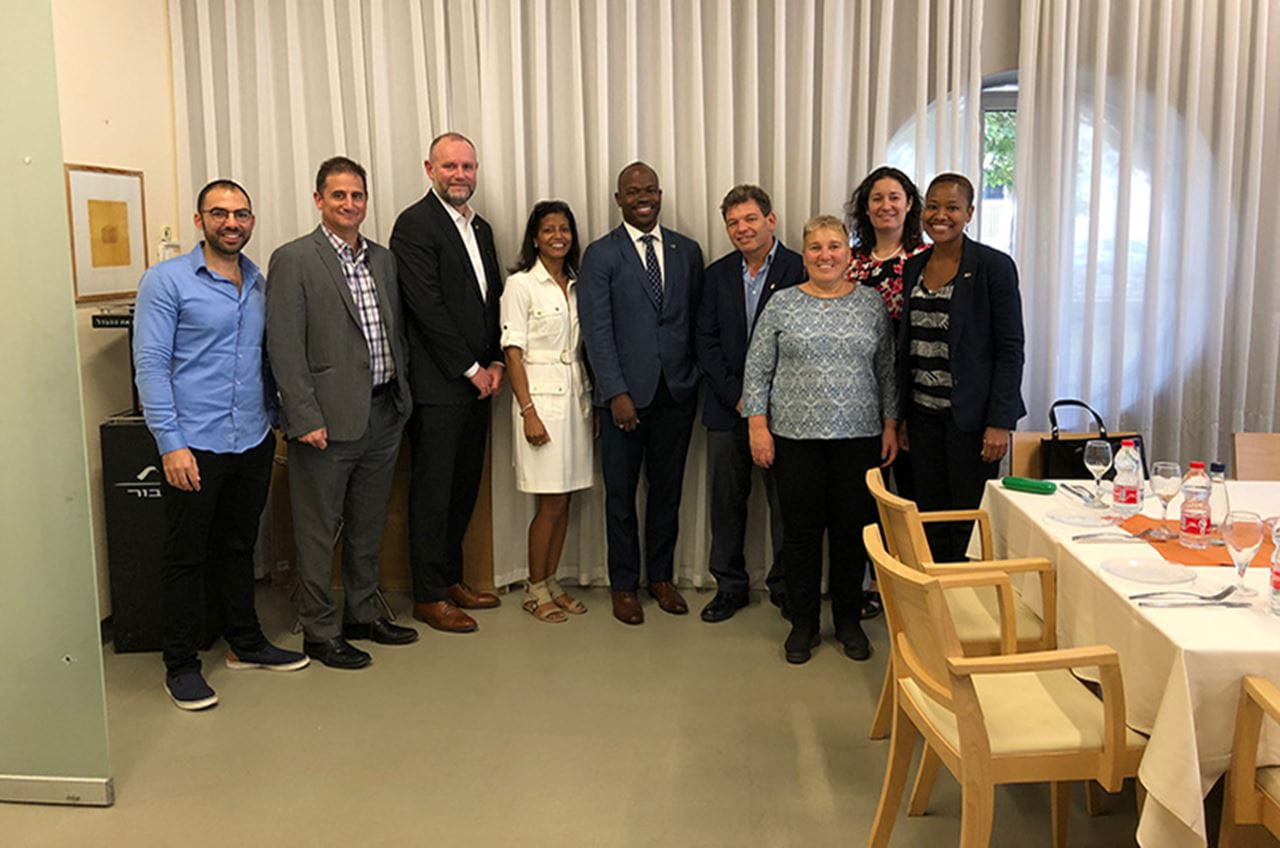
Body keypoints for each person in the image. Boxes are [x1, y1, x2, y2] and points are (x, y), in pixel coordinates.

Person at [134, 179, 308, 710]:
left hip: (251, 438)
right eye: (219, 213)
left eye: (241, 214)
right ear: (199, 220)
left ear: (252, 221)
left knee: (239, 548)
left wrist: (275, 418)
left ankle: (246, 642)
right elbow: (151, 365)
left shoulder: (258, 282)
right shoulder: (166, 282)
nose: (231, 223)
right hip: (194, 443)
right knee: (185, 557)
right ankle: (181, 666)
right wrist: (170, 443)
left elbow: (266, 356)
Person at [266, 157, 418, 670]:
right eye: (338, 196)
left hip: (382, 413)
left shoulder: (382, 259)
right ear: (318, 200)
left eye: (357, 196)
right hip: (324, 425)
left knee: (367, 524)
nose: (349, 205)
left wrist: (403, 396)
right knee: (316, 528)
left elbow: (393, 333)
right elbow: (284, 348)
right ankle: (319, 630)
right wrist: (303, 417)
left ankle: (362, 612)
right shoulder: (294, 259)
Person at [742, 215, 898, 665]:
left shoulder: (870, 305)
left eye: (834, 247)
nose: (825, 255)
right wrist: (758, 426)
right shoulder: (783, 304)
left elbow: (886, 369)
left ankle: (848, 621)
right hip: (795, 437)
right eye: (815, 247)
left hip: (859, 436)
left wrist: (890, 424)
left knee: (852, 533)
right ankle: (804, 622)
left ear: (849, 255)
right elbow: (757, 368)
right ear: (804, 254)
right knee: (801, 533)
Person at [578, 162, 705, 625]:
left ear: (661, 193)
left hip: (676, 393)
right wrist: (615, 392)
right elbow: (597, 330)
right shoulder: (601, 254)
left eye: (650, 190)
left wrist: (690, 377)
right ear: (618, 200)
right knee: (621, 495)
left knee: (667, 492)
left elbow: (694, 320)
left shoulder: (687, 251)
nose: (643, 197)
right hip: (624, 400)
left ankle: (662, 578)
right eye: (633, 192)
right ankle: (624, 585)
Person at [390, 132, 503, 633]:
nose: (460, 175)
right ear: (429, 169)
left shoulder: (480, 229)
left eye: (468, 166)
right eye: (450, 166)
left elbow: (492, 298)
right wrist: (471, 369)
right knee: (433, 492)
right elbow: (427, 308)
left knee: (462, 488)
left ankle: (452, 579)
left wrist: (496, 361)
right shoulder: (414, 226)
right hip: (439, 388)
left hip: (481, 383)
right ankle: (429, 595)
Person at [898, 173, 1026, 562]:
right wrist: (902, 416)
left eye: (952, 207)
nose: (941, 215)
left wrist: (999, 422)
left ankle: (965, 607)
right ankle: (935, 605)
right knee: (928, 516)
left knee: (969, 522)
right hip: (922, 418)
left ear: (969, 213)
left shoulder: (993, 266)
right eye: (933, 206)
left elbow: (1010, 348)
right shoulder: (914, 267)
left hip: (973, 423)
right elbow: (907, 347)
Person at [694, 184, 805, 623]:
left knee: (788, 504)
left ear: (770, 220)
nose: (742, 228)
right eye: (733, 222)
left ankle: (784, 586)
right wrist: (738, 394)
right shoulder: (716, 274)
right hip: (728, 408)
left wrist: (766, 399)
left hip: (786, 412)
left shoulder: (800, 268)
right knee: (726, 502)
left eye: (750, 219)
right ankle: (730, 586)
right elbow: (705, 340)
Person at [499, 201, 593, 623]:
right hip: (540, 403)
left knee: (567, 498)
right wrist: (528, 412)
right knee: (549, 502)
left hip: (575, 401)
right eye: (549, 229)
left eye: (565, 229)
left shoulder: (576, 283)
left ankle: (551, 579)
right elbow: (513, 354)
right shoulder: (521, 285)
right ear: (534, 237)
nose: (559, 236)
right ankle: (534, 589)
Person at [844, 166, 926, 621]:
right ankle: (869, 583)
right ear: (866, 207)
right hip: (857, 397)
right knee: (867, 495)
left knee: (909, 495)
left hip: (913, 394)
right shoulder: (849, 261)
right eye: (877, 198)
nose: (886, 206)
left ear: (909, 204)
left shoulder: (927, 259)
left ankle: (910, 585)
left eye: (895, 197)